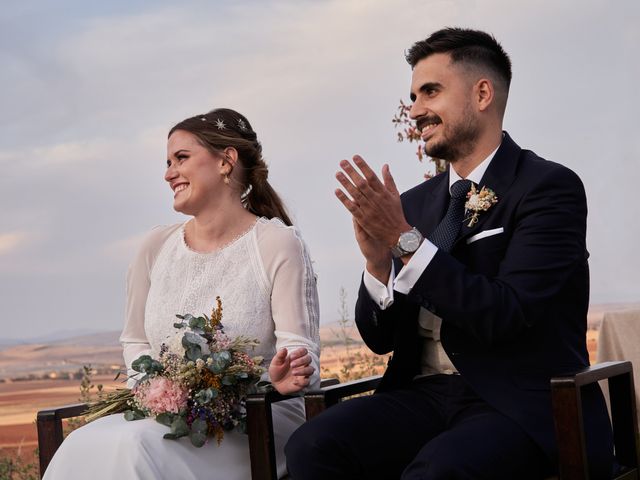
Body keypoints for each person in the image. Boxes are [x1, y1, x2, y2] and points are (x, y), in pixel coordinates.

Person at [286, 28, 614, 479]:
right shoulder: (415, 204)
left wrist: (404, 241)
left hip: (516, 402)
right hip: (423, 395)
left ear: (482, 93)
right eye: (413, 96)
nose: (416, 109)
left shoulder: (548, 188)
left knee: (439, 471)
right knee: (312, 444)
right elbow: (381, 341)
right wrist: (376, 263)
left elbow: (506, 313)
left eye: (431, 91)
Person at [43, 108, 320, 480]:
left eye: (181, 158)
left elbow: (301, 353)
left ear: (226, 161)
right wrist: (158, 392)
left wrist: (281, 377)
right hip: (165, 417)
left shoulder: (275, 244)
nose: (168, 173)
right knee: (81, 445)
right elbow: (135, 339)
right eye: (168, 162)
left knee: (134, 448)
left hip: (255, 419)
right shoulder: (155, 246)